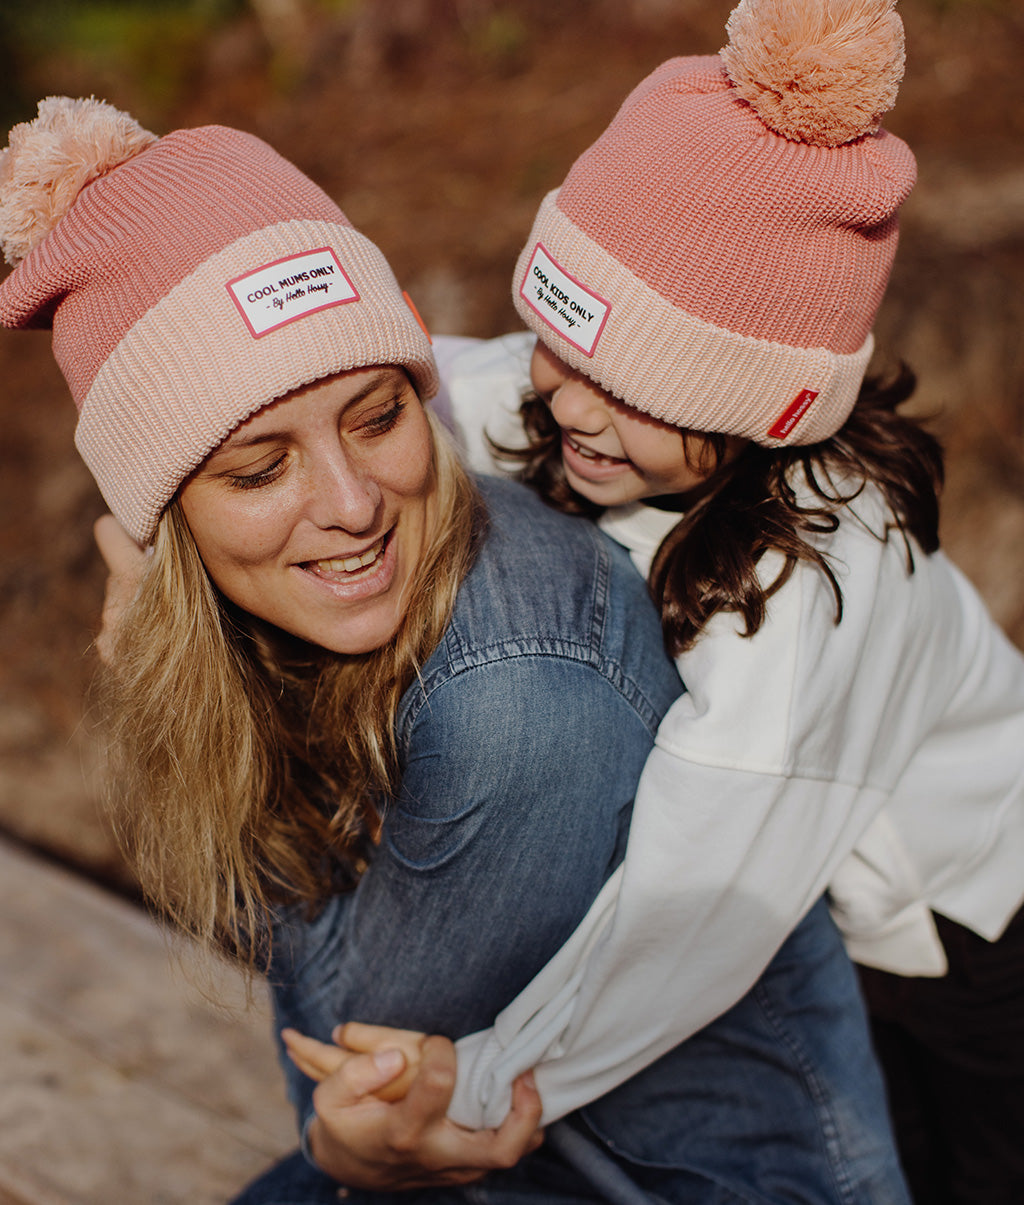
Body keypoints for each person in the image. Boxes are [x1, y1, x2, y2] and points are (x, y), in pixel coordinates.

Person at [0, 92, 910, 1203]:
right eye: (257, 468)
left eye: (378, 415)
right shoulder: (310, 598)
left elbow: (352, 1078)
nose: (350, 502)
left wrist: (168, 684)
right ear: (164, 510)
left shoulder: (516, 693)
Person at [359, 0, 1020, 1201]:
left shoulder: (817, 573)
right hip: (849, 901)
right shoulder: (597, 404)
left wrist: (504, 1078)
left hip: (975, 915)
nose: (568, 406)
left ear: (758, 401)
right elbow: (461, 383)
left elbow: (694, 901)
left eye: (630, 381)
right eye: (558, 339)